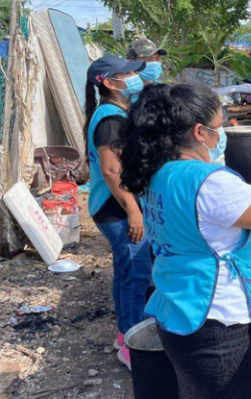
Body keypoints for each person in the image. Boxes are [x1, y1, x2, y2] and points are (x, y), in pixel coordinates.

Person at [118, 83, 251, 398]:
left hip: (179, 310)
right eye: (218, 128)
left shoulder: (160, 172)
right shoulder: (207, 183)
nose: (220, 136)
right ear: (199, 132)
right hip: (216, 324)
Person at [84, 55, 152, 369]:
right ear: (110, 83)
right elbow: (112, 171)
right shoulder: (111, 118)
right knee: (137, 273)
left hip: (109, 206)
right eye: (127, 73)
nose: (133, 77)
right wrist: (134, 211)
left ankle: (124, 332)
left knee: (127, 271)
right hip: (116, 209)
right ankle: (131, 343)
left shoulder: (111, 112)